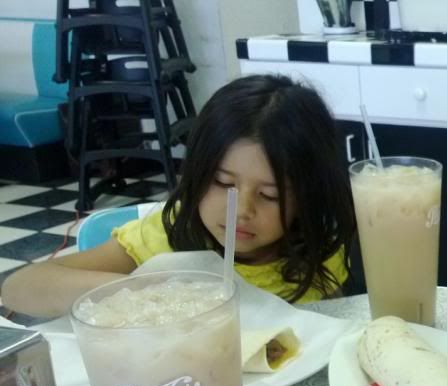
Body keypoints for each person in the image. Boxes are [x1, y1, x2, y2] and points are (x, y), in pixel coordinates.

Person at [2, 74, 356, 317]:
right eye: (222, 183)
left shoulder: (319, 249)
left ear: (307, 197)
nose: (241, 210)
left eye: (270, 195)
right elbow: (20, 287)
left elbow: (330, 328)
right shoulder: (165, 238)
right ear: (196, 173)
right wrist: (153, 293)